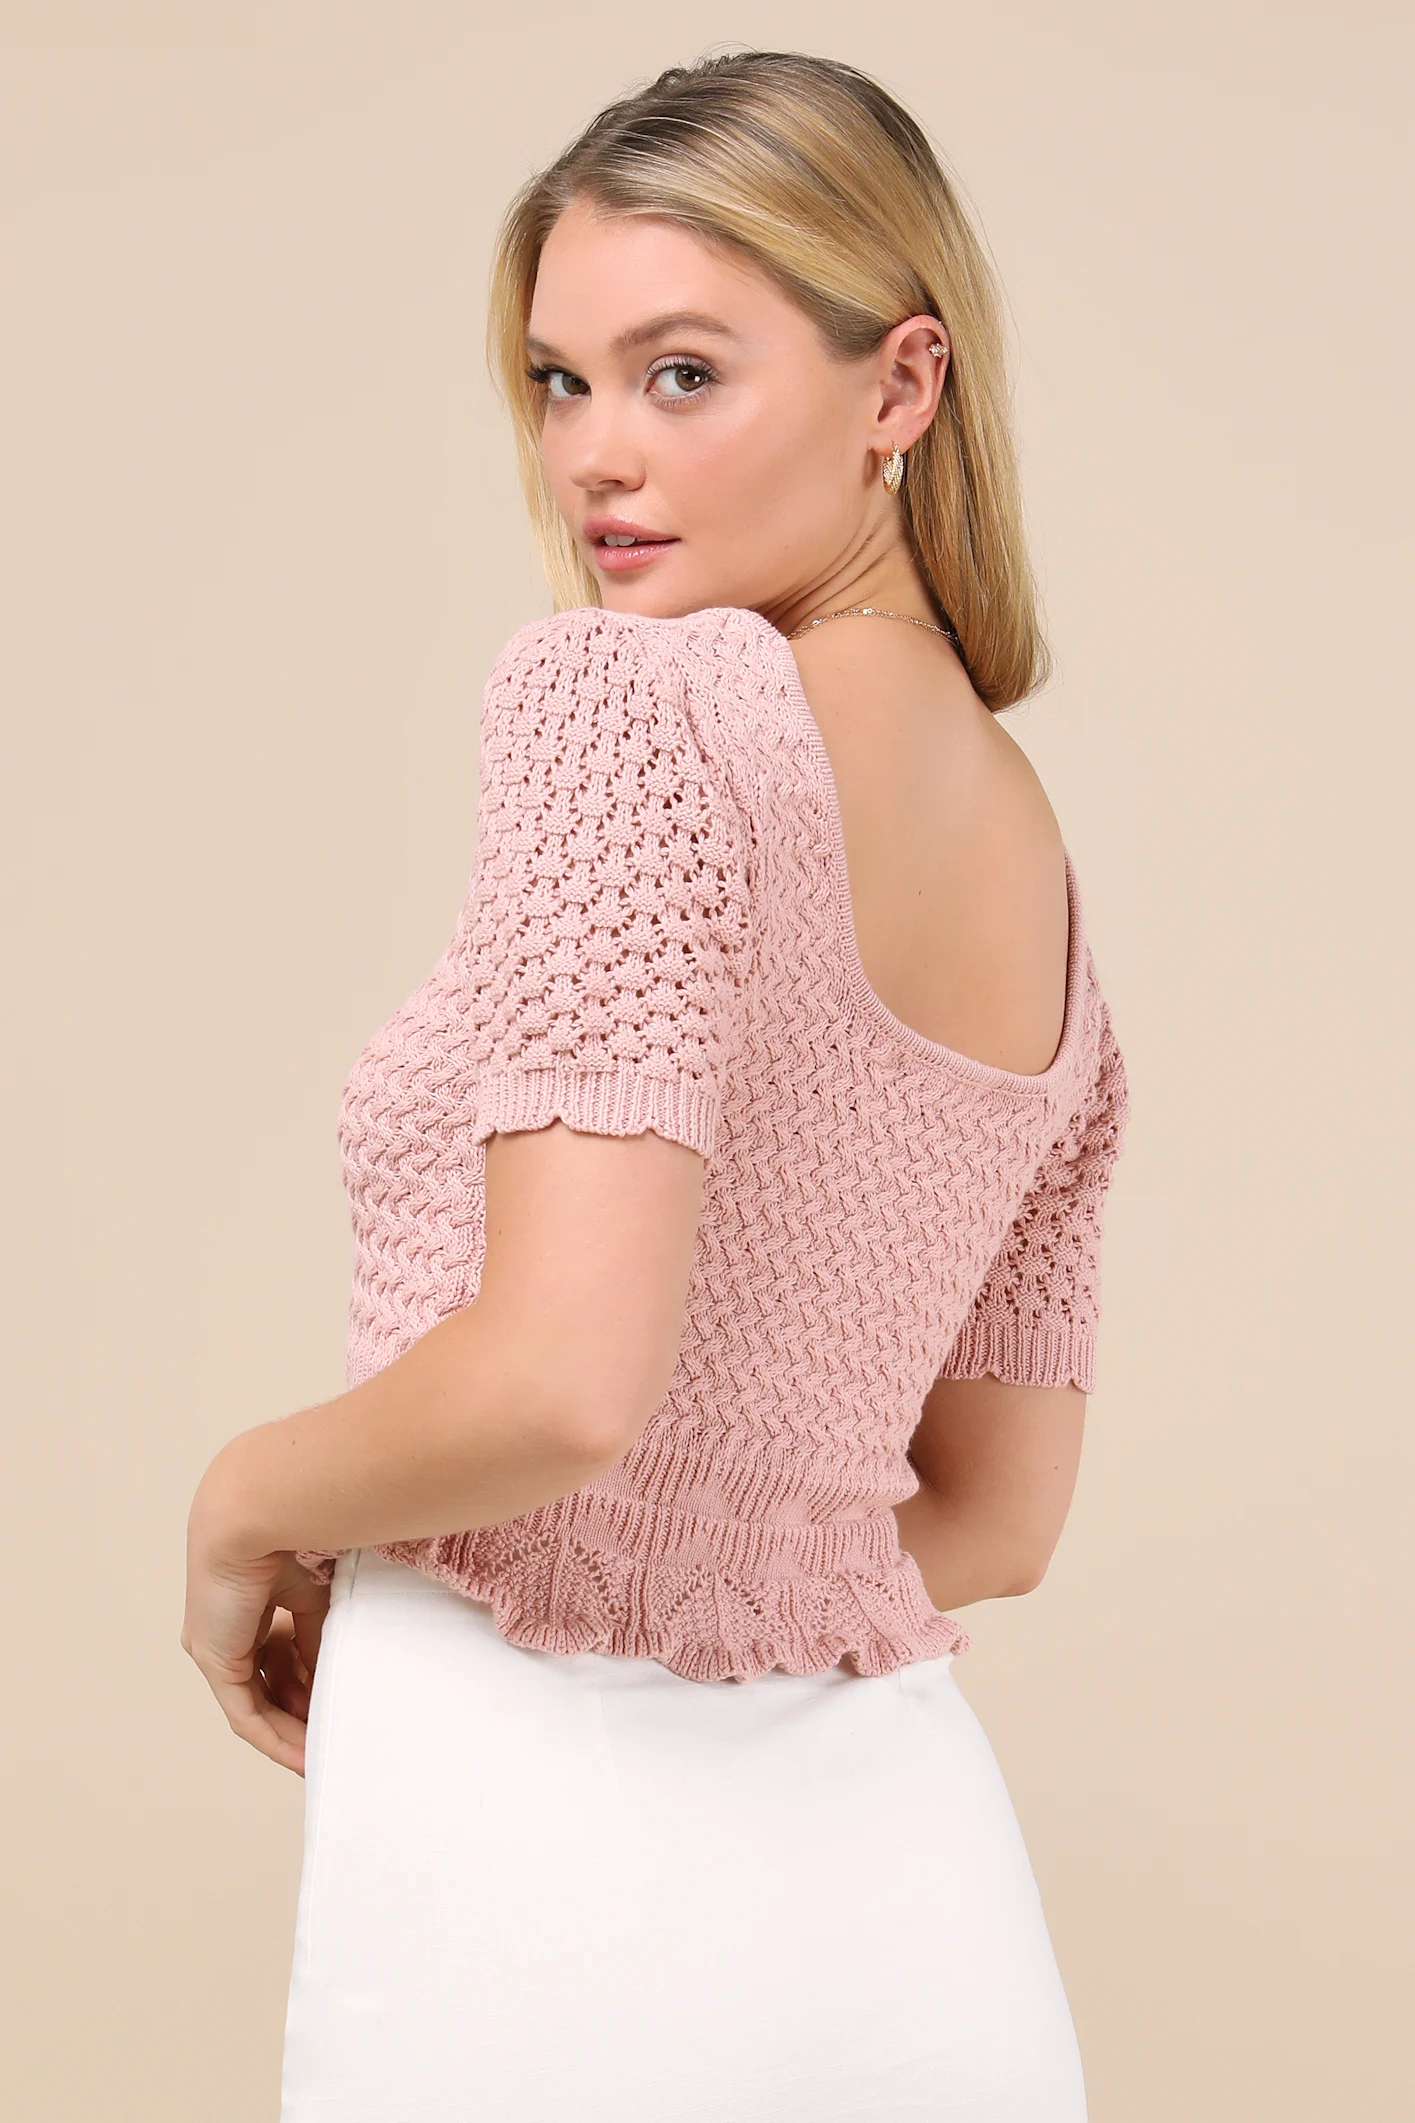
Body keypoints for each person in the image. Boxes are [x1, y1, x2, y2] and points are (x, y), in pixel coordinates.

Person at [181, 48, 1131, 2123]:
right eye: (558, 380)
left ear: (898, 386)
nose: (593, 456)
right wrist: (733, 1567)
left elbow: (557, 1383)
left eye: (681, 374)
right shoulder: (1036, 866)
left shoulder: (632, 705)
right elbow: (998, 1515)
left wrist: (243, 1499)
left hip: (541, 1859)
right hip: (909, 1889)